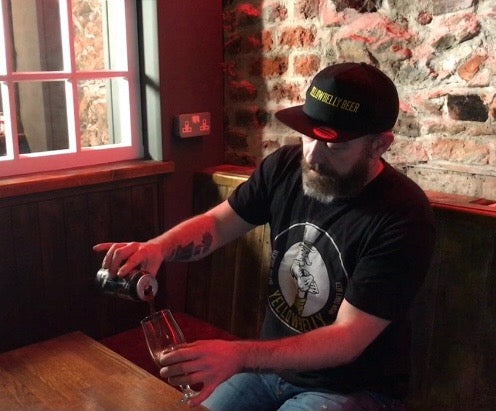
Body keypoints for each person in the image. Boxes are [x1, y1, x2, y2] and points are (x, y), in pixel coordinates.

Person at [94, 62, 436, 411]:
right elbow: (217, 225)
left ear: (379, 144)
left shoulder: (403, 215)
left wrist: (239, 355)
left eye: (335, 146)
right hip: (270, 369)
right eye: (308, 135)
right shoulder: (285, 167)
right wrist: (159, 248)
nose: (313, 156)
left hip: (351, 387)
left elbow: (346, 339)